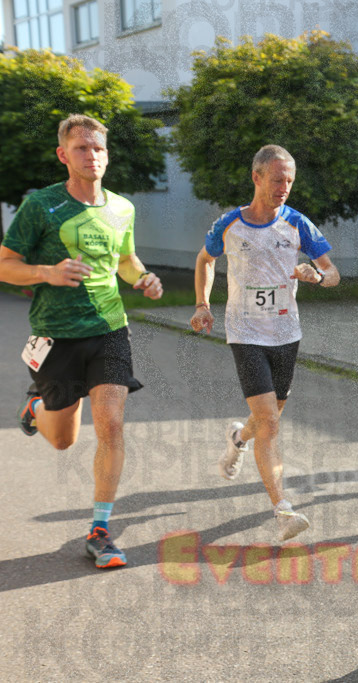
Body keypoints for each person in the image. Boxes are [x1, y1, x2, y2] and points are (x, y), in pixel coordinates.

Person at [0, 114, 164, 568]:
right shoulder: (41, 207)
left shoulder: (122, 208)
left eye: (98, 149)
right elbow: (5, 263)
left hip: (110, 329)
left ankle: (100, 530)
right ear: (63, 154)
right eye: (81, 148)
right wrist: (46, 273)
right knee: (62, 441)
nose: (91, 156)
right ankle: (36, 407)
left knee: (111, 425)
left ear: (106, 155)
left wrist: (143, 277)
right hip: (57, 334)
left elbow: (126, 259)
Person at [190, 144, 338, 542]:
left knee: (267, 418)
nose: (284, 187)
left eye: (289, 180)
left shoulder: (297, 224)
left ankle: (238, 439)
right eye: (277, 179)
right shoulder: (229, 225)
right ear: (256, 178)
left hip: (286, 334)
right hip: (245, 333)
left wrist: (317, 276)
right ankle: (283, 510)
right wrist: (203, 304)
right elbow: (205, 260)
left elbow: (334, 274)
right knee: (270, 422)